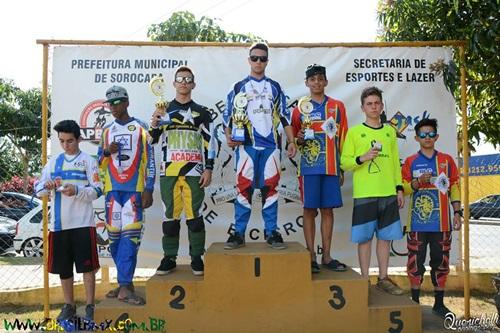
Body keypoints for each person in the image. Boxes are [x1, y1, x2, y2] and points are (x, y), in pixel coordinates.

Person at [223, 42, 297, 250]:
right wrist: (229, 137)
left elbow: (285, 117)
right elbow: (228, 116)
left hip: (271, 146)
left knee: (270, 188)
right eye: (254, 58)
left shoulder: (275, 86)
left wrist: (291, 141)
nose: (258, 62)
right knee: (243, 188)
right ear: (248, 60)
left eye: (262, 58)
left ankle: (272, 232)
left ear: (267, 61)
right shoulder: (237, 86)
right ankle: (238, 233)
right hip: (246, 145)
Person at [149, 66, 215, 276]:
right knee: (170, 218)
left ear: (193, 84)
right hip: (169, 171)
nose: (184, 82)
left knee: (195, 217)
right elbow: (152, 139)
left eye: (188, 79)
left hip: (195, 171)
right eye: (180, 79)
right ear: (174, 83)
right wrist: (154, 122)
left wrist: (209, 168)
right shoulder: (163, 109)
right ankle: (169, 258)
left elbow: (210, 142)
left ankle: (197, 258)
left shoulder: (203, 112)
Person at [35, 120, 102, 321]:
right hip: (59, 225)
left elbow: (98, 190)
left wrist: (77, 190)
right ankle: (69, 306)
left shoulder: (89, 161)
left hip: (83, 223)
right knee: (64, 269)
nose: (66, 145)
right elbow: (39, 191)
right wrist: (47, 186)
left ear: (79, 139)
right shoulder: (53, 162)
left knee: (87, 267)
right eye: (62, 141)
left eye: (70, 141)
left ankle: (90, 306)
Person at [340, 86, 405, 295]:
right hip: (365, 193)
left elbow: (395, 163)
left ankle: (384, 278)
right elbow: (345, 162)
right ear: (362, 107)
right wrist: (363, 158)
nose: (374, 107)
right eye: (369, 104)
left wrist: (399, 188)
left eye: (377, 103)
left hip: (388, 192)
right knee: (365, 239)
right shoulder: (355, 132)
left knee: (385, 238)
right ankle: (365, 280)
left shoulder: (389, 132)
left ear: (382, 106)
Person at [97, 85, 155, 305]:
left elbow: (150, 160)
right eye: (109, 104)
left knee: (130, 238)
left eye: (117, 102)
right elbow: (99, 164)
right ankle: (125, 283)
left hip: (134, 190)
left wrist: (149, 188)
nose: (112, 107)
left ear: (127, 102)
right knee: (113, 238)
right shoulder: (106, 131)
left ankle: (123, 286)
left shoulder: (141, 127)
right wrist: (106, 152)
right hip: (112, 192)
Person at [291, 64, 348, 273]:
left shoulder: (337, 106)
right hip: (308, 168)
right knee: (308, 210)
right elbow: (294, 139)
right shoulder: (299, 108)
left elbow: (343, 138)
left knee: (327, 210)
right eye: (312, 79)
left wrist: (341, 167)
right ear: (306, 83)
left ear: (325, 81)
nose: (316, 82)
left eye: (320, 78)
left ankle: (327, 256)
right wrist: (297, 140)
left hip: (331, 166)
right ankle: (310, 256)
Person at [402, 118, 462, 318]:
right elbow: (404, 189)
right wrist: (418, 182)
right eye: (423, 135)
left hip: (442, 223)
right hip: (417, 223)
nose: (427, 138)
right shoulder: (410, 161)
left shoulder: (446, 160)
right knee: (415, 262)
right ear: (417, 137)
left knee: (441, 262)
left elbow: (454, 186)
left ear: (436, 136)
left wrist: (457, 212)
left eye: (431, 134)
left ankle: (439, 304)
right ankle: (415, 302)